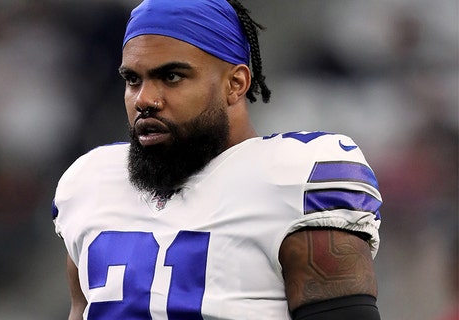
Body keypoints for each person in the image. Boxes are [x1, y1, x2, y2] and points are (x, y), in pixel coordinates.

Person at [52, 0, 383, 319]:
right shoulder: (91, 182)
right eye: (133, 80)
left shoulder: (295, 178)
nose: (145, 100)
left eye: (171, 77)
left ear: (235, 83)